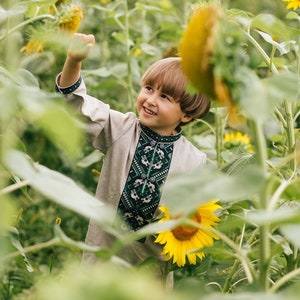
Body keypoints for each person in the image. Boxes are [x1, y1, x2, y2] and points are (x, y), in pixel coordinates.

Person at [55, 33, 210, 273]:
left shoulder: (195, 162)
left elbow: (198, 215)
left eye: (165, 96)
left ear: (187, 115)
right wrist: (74, 61)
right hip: (102, 261)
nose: (150, 99)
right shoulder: (121, 129)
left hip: (149, 272)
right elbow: (77, 106)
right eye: (148, 88)